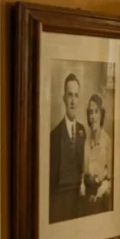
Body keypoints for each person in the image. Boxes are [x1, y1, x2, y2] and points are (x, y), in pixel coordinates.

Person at [49, 73, 86, 224]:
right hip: (60, 205)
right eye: (70, 95)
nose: (73, 101)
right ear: (64, 98)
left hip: (80, 203)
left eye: (76, 95)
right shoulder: (54, 135)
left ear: (79, 99)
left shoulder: (83, 131)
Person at [81, 93, 112, 215]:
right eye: (90, 112)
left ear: (101, 114)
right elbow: (84, 173)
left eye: (96, 112)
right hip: (87, 198)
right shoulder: (86, 142)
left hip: (101, 199)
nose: (92, 116)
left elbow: (110, 180)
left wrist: (98, 194)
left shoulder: (107, 141)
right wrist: (82, 185)